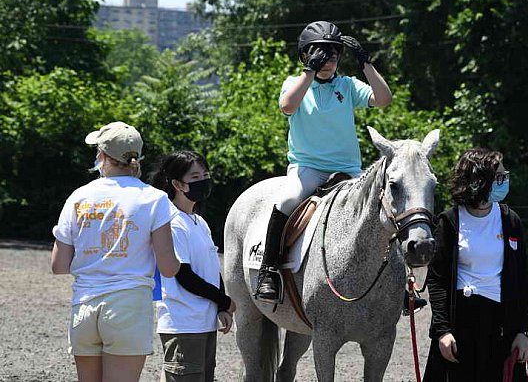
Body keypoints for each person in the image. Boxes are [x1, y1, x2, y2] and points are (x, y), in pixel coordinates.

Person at [254, 20, 395, 303]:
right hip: (308, 170)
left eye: (333, 54)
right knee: (287, 200)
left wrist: (365, 63)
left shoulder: (347, 85)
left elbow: (383, 99)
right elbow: (287, 106)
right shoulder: (294, 84)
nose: (328, 60)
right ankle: (268, 270)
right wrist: (309, 71)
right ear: (305, 55)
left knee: (385, 208)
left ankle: (399, 282)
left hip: (349, 172)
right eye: (320, 53)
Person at [51, 121, 180, 382]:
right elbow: (168, 267)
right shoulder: (154, 198)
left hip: (84, 306)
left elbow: (59, 265)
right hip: (128, 307)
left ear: (102, 156)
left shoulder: (79, 196)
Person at [424, 148, 528, 381]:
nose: (504, 181)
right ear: (479, 181)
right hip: (459, 325)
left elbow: (523, 280)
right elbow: (437, 280)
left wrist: (523, 332)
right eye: (499, 177)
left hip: (501, 326)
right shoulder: (449, 221)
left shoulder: (510, 221)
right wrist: (442, 331)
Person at [151, 151, 236, 382]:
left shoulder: (200, 222)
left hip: (203, 322)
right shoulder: (172, 222)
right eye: (196, 177)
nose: (204, 181)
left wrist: (221, 307)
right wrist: (224, 300)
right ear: (177, 184)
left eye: (206, 175)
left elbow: (209, 267)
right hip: (183, 324)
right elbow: (184, 275)